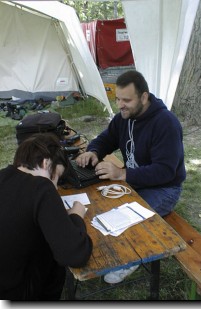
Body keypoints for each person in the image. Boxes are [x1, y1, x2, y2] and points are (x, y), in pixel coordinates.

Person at [76, 70, 186, 284]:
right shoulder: (124, 118)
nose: (120, 105)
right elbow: (107, 138)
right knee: (99, 206)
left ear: (144, 97)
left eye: (126, 100)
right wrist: (94, 151)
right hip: (135, 181)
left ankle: (132, 258)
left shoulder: (166, 123)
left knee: (128, 220)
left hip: (164, 189)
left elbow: (165, 171)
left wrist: (122, 174)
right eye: (117, 99)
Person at [0, 133, 93, 300]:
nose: (55, 187)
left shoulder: (4, 175)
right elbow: (75, 255)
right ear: (46, 162)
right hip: (13, 293)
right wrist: (76, 217)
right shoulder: (41, 187)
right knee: (52, 250)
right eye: (56, 177)